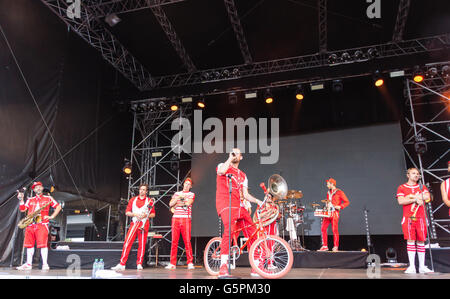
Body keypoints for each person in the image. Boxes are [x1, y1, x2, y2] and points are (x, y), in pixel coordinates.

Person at [216, 148, 263, 277]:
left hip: (239, 206)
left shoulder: (243, 175)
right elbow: (221, 171)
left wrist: (257, 200)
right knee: (229, 231)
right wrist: (229, 159)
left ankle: (255, 265)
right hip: (226, 203)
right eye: (232, 152)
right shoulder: (222, 165)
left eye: (237, 153)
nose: (234, 154)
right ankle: (223, 266)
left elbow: (246, 194)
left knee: (253, 232)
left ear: (241, 157)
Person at [17, 181, 62, 271]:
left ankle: (45, 264)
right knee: (29, 245)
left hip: (42, 224)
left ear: (42, 188)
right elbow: (23, 210)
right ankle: (28, 264)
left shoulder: (48, 198)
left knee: (43, 245)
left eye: (39, 186)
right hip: (30, 224)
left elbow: (58, 207)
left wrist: (51, 216)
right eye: (36, 187)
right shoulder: (30, 199)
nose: (38, 188)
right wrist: (21, 200)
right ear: (33, 190)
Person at [396, 167, 433, 274]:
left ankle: (421, 266)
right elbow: (401, 201)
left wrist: (418, 198)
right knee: (410, 240)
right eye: (413, 173)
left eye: (418, 173)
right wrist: (415, 198)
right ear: (408, 175)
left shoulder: (422, 186)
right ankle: (412, 266)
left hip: (421, 217)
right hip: (408, 217)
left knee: (421, 240)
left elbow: (427, 197)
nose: (416, 175)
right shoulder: (402, 187)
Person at [112, 184, 155, 271]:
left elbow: (153, 214)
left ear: (146, 191)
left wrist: (145, 215)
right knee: (127, 242)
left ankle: (139, 263)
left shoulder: (150, 201)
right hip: (134, 222)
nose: (142, 191)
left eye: (144, 190)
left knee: (142, 245)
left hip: (143, 223)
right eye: (141, 189)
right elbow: (127, 212)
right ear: (139, 190)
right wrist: (135, 214)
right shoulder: (133, 200)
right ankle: (122, 264)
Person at [165, 178, 195, 270]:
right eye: (185, 183)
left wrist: (178, 204)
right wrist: (177, 199)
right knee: (174, 241)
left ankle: (190, 262)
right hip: (176, 219)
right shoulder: (177, 194)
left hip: (186, 219)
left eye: (188, 184)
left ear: (191, 186)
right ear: (183, 184)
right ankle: (172, 263)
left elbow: (188, 203)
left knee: (187, 241)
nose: (186, 185)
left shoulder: (191, 194)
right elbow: (170, 204)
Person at [318, 178, 350, 252]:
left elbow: (347, 202)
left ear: (332, 184)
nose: (327, 185)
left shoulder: (339, 192)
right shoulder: (328, 192)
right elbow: (329, 202)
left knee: (334, 230)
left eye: (328, 183)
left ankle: (335, 246)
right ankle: (325, 246)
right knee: (323, 228)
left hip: (335, 213)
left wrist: (340, 206)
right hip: (328, 213)